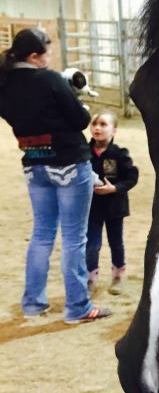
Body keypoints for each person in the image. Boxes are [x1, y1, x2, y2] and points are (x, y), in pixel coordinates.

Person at [0, 28, 111, 323]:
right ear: (35, 56)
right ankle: (78, 307)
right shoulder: (49, 80)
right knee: (75, 237)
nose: (49, 58)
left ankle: (33, 302)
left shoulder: (5, 83)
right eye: (46, 53)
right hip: (69, 163)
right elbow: (80, 119)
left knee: (42, 234)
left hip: (34, 163)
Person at [87, 110, 139, 296]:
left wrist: (115, 188)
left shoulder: (119, 154)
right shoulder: (83, 153)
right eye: (94, 124)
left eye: (103, 124)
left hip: (115, 208)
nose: (97, 128)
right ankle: (90, 279)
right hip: (91, 209)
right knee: (92, 245)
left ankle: (118, 276)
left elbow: (132, 177)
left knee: (116, 243)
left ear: (114, 131)